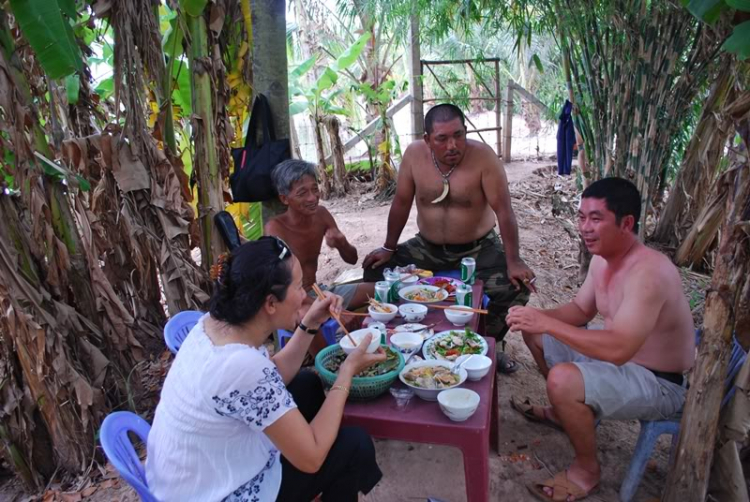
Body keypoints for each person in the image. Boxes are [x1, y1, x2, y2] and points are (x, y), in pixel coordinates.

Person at [146, 237, 385, 501]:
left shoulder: (215, 324)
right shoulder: (240, 366)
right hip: (217, 493)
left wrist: (310, 322)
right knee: (354, 446)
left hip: (191, 474)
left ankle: (311, 447)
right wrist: (347, 372)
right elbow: (313, 458)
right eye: (297, 287)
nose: (305, 295)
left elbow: (273, 374)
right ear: (270, 303)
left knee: (306, 385)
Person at [506, 178, 695, 501]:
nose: (585, 227)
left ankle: (586, 470)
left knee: (563, 379)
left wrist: (546, 323)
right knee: (536, 330)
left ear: (627, 223)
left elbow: (620, 349)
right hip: (619, 355)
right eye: (581, 217)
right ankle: (563, 414)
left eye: (596, 218)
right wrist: (533, 319)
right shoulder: (602, 259)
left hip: (659, 382)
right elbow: (580, 309)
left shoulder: (649, 273)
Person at [362, 103, 536, 373]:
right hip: (426, 247)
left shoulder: (484, 158)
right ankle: (403, 336)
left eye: (459, 135)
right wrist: (388, 247)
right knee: (376, 270)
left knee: (517, 286)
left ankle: (486, 342)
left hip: (479, 247)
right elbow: (401, 203)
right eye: (442, 139)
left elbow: (505, 212)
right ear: (427, 139)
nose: (452, 145)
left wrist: (513, 260)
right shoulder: (413, 156)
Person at [266, 159, 376, 354]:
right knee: (307, 318)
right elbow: (282, 286)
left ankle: (374, 338)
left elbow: (351, 259)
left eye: (314, 189)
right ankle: (329, 368)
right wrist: (328, 310)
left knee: (377, 290)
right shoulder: (275, 229)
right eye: (302, 193)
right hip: (293, 299)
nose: (312, 198)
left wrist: (341, 242)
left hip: (320, 291)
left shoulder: (322, 214)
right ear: (285, 199)